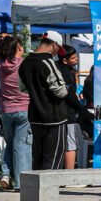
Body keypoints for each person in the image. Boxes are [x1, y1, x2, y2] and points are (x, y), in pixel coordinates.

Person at [18, 31, 72, 171]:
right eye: (57, 49)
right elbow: (61, 91)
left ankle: (35, 191)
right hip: (54, 118)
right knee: (53, 159)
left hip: (35, 117)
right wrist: (67, 87)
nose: (56, 53)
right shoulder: (48, 62)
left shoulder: (25, 63)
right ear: (54, 45)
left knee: (38, 158)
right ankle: (48, 191)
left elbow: (22, 88)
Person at [0, 36, 31, 190]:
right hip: (24, 108)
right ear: (17, 48)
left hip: (6, 110)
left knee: (10, 144)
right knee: (21, 146)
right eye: (21, 46)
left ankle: (5, 174)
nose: (23, 48)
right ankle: (20, 182)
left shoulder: (0, 65)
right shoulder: (24, 65)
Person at [57, 45, 84, 170]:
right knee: (71, 145)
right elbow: (71, 96)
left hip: (58, 113)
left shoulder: (56, 69)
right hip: (68, 113)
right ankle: (69, 174)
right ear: (65, 60)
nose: (77, 59)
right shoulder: (68, 74)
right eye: (73, 58)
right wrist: (81, 108)